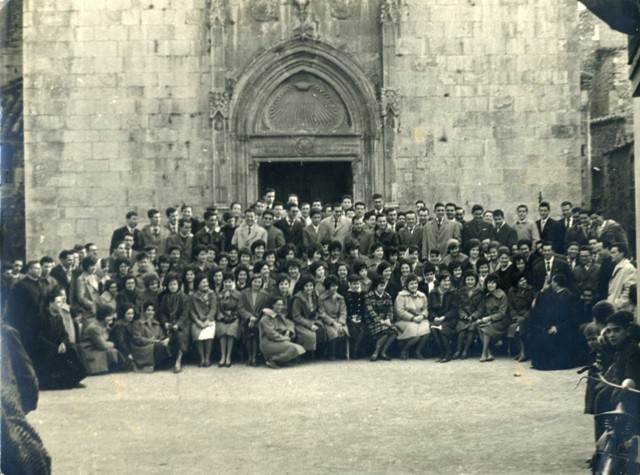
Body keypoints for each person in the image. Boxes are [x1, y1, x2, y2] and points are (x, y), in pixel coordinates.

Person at [525, 274, 582, 370]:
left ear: (556, 283)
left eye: (552, 282)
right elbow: (539, 305)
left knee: (546, 339)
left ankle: (548, 364)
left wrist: (558, 327)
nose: (551, 284)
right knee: (540, 337)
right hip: (552, 326)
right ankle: (540, 363)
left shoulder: (569, 296)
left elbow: (574, 318)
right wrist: (543, 290)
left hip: (564, 329)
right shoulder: (552, 294)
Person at [34, 293, 86, 389]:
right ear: (50, 304)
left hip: (58, 347)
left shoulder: (58, 317)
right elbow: (39, 338)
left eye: (62, 302)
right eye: (58, 302)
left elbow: (64, 334)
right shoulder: (41, 318)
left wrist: (63, 344)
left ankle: (74, 379)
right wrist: (55, 348)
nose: (61, 304)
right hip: (45, 350)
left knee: (72, 349)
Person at [259, 297, 306, 368]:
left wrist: (288, 331)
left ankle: (280, 360)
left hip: (278, 340)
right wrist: (284, 338)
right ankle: (272, 359)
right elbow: (271, 334)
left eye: (281, 305)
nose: (280, 307)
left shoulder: (280, 315)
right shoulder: (266, 318)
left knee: (299, 348)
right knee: (293, 348)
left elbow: (290, 323)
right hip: (268, 342)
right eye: (277, 305)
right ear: (273, 305)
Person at [157, 274, 191, 373]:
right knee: (164, 335)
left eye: (175, 284)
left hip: (182, 323)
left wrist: (178, 324)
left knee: (180, 335)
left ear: (178, 285)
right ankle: (168, 358)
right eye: (170, 284)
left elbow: (185, 313)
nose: (173, 286)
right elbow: (161, 312)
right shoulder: (164, 297)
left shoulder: (184, 297)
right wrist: (165, 322)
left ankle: (178, 361)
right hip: (169, 322)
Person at [78, 305, 124, 375]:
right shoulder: (94, 328)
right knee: (113, 351)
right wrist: (114, 343)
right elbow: (103, 346)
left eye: (112, 315)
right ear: (102, 316)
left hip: (96, 348)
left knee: (114, 352)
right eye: (109, 316)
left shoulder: (104, 325)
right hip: (90, 351)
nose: (112, 318)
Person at [394, 274, 430, 359]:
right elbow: (400, 311)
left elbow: (426, 308)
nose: (414, 286)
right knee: (415, 335)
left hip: (420, 319)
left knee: (426, 330)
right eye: (411, 284)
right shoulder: (401, 296)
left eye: (415, 283)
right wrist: (412, 318)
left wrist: (422, 315)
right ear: (407, 285)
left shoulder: (422, 295)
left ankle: (418, 351)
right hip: (404, 320)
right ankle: (404, 350)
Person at [238, 274, 271, 366]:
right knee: (248, 332)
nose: (257, 284)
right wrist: (249, 317)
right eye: (255, 282)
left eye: (259, 282)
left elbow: (265, 309)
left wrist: (255, 318)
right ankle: (249, 357)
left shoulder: (265, 295)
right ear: (251, 282)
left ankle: (254, 357)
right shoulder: (244, 293)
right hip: (246, 319)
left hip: (259, 319)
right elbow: (241, 308)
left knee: (255, 331)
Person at [363, 275, 398, 361]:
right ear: (376, 286)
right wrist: (380, 321)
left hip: (385, 321)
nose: (383, 288)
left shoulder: (387, 296)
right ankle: (376, 352)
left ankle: (383, 351)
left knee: (394, 331)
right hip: (372, 321)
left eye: (384, 285)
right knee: (385, 330)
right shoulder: (369, 296)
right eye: (381, 286)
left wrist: (388, 319)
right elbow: (370, 311)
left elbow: (390, 310)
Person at [475, 274, 509, 362]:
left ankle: (484, 353)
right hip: (489, 320)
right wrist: (480, 318)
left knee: (486, 328)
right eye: (489, 283)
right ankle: (489, 353)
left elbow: (502, 313)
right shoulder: (487, 295)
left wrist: (489, 318)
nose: (491, 285)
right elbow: (483, 309)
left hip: (502, 321)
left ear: (497, 284)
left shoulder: (502, 295)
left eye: (493, 283)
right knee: (478, 326)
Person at [131, 302, 171, 373]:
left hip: (155, 346)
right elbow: (138, 339)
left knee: (169, 343)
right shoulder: (137, 323)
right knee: (159, 346)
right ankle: (159, 364)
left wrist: (166, 340)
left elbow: (162, 336)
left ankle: (163, 362)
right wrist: (154, 341)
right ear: (144, 311)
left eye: (152, 310)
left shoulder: (156, 323)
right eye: (148, 310)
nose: (150, 312)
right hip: (143, 348)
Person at [453, 270, 484, 360]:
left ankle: (465, 351)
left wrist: (473, 316)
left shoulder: (480, 292)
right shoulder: (460, 292)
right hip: (463, 317)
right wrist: (463, 315)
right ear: (465, 280)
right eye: (468, 279)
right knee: (461, 329)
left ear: (476, 281)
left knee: (471, 328)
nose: (470, 282)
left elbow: (481, 308)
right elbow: (459, 306)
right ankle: (458, 350)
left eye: (472, 280)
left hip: (475, 317)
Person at [317, 275, 349, 360]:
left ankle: (341, 352)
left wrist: (340, 322)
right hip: (327, 321)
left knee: (343, 331)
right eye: (332, 286)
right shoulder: (321, 298)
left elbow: (343, 311)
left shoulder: (340, 298)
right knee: (333, 333)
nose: (335, 288)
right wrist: (333, 323)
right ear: (328, 287)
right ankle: (332, 353)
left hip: (338, 320)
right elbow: (322, 313)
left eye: (336, 286)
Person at [506, 272, 536, 362]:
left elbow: (533, 308)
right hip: (516, 317)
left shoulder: (532, 290)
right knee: (514, 328)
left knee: (519, 329)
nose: (523, 282)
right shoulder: (512, 291)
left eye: (524, 279)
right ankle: (521, 351)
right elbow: (510, 306)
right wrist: (515, 316)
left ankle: (523, 353)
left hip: (529, 317)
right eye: (520, 281)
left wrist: (525, 317)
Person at [290, 275, 322, 358]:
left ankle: (320, 353)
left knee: (323, 329)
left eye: (311, 286)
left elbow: (319, 309)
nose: (309, 288)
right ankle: (303, 354)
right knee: (309, 335)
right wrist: (310, 325)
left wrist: (316, 316)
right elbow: (296, 316)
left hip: (313, 319)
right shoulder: (298, 297)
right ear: (303, 287)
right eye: (306, 286)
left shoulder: (315, 294)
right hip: (300, 322)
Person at [189, 274, 217, 367]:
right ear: (198, 284)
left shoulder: (212, 294)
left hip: (209, 320)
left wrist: (207, 320)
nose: (206, 284)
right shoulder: (193, 296)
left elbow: (213, 309)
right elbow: (191, 310)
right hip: (197, 321)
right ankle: (202, 358)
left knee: (208, 334)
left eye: (206, 282)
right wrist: (197, 321)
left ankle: (207, 358)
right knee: (197, 334)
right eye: (203, 282)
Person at [428, 272, 457, 362]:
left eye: (448, 281)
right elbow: (429, 308)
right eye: (445, 281)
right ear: (439, 282)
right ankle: (442, 352)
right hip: (437, 318)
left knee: (442, 328)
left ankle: (448, 354)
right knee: (433, 328)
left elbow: (454, 309)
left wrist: (444, 317)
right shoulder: (433, 293)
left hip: (450, 319)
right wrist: (434, 317)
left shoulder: (453, 292)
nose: (447, 283)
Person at [216, 272, 241, 367]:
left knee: (231, 330)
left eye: (230, 282)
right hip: (222, 318)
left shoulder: (238, 294)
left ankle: (228, 357)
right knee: (222, 330)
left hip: (234, 318)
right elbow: (217, 308)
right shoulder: (219, 294)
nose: (228, 284)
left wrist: (234, 316)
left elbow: (240, 308)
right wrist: (222, 317)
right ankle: (222, 356)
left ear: (233, 282)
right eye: (226, 282)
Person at [607, 242, 636, 310]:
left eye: (614, 252)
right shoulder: (617, 266)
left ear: (622, 253)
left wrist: (619, 303)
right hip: (614, 303)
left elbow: (629, 289)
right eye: (611, 252)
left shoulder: (629, 268)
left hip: (622, 307)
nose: (611, 255)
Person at [110, 304, 136, 370]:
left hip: (128, 349)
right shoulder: (119, 325)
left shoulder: (129, 323)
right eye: (128, 314)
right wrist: (128, 354)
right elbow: (120, 342)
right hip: (121, 350)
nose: (131, 316)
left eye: (132, 313)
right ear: (123, 314)